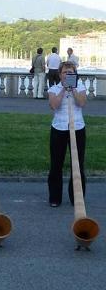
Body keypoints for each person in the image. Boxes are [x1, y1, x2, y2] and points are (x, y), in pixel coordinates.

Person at [47, 61, 87, 207]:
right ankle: (55, 197)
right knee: (56, 164)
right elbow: (54, 105)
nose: (68, 75)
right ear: (60, 74)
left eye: (71, 72)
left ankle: (77, 197)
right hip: (59, 128)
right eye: (65, 72)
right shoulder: (54, 89)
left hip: (77, 128)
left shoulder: (80, 87)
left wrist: (73, 89)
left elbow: (81, 103)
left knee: (77, 164)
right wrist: (64, 89)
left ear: (75, 74)